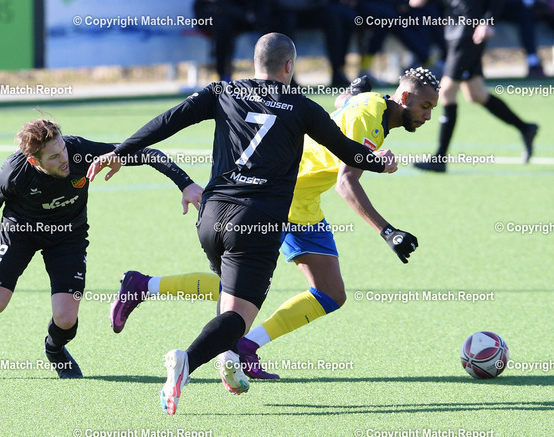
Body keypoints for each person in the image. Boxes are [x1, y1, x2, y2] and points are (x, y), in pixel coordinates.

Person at [86, 32, 397, 414]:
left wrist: (120, 152)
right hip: (256, 223)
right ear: (289, 66)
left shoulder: (222, 91)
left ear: (255, 62)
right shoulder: (302, 106)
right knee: (237, 317)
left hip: (211, 215)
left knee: (228, 295)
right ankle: (186, 361)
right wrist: (381, 162)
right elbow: (348, 152)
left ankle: (229, 361)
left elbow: (168, 121)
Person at [109, 68, 439, 380]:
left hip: (304, 201)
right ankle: (156, 296)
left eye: (432, 109)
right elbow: (346, 182)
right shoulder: (370, 119)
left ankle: (238, 341)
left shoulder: (373, 102)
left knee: (329, 292)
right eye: (425, 106)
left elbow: (342, 106)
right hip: (283, 197)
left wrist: (349, 95)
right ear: (404, 98)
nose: (427, 115)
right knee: (238, 293)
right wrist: (387, 231)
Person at [0, 119, 202, 379]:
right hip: (20, 232)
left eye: (62, 148)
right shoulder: (15, 171)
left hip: (67, 236)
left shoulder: (80, 152)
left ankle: (54, 349)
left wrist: (186, 184)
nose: (63, 158)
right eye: (53, 157)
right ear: (34, 161)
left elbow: (147, 153)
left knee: (66, 320)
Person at [411, 0, 539, 172]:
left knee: (446, 91)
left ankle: (440, 158)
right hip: (454, 28)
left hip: (469, 30)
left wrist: (487, 21)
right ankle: (526, 128)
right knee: (476, 94)